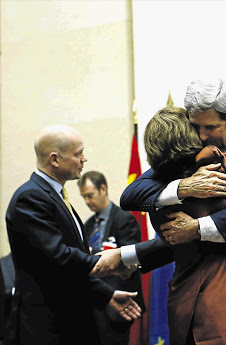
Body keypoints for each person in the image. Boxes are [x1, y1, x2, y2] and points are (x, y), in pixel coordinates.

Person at [92, 82, 226, 345]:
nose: (202, 136)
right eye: (196, 127)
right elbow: (132, 194)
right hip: (217, 308)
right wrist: (183, 187)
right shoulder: (185, 165)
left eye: (210, 127)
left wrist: (197, 228)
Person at [4, 125, 141, 345]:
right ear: (54, 160)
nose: (84, 159)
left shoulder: (54, 196)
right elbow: (58, 257)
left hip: (70, 320)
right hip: (48, 326)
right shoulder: (30, 197)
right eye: (78, 154)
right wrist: (105, 263)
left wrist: (106, 296)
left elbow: (67, 269)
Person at [78, 171, 146, 345]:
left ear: (103, 189)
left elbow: (130, 260)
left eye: (90, 195)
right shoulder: (88, 225)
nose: (87, 201)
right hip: (96, 303)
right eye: (84, 197)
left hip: (120, 302)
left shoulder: (124, 219)